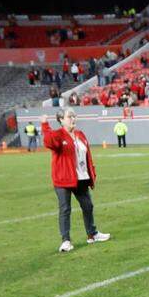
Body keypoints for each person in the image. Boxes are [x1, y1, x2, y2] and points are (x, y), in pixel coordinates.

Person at [42, 108, 111, 253]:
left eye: (74, 116)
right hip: (63, 179)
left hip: (81, 177)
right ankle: (66, 240)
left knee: (88, 206)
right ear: (61, 120)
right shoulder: (58, 134)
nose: (73, 119)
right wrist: (44, 125)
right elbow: (48, 142)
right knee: (65, 209)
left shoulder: (80, 134)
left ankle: (92, 234)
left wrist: (91, 172)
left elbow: (87, 155)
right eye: (69, 116)